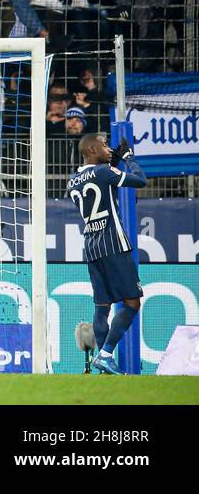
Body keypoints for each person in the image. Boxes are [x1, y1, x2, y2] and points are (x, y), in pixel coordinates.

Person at [68, 133, 147, 375]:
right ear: (92, 150)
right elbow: (141, 181)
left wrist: (111, 159)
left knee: (102, 307)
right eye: (104, 145)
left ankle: (103, 365)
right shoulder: (103, 172)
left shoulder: (73, 180)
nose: (108, 149)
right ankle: (105, 354)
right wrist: (128, 158)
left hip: (92, 247)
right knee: (132, 302)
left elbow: (102, 176)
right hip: (113, 243)